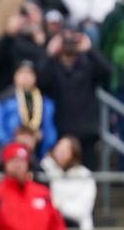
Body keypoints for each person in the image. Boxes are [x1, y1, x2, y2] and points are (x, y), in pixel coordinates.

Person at [37, 20, 111, 169]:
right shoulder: (53, 66)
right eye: (65, 37)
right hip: (62, 131)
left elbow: (107, 72)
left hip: (87, 131)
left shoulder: (88, 64)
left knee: (89, 175)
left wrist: (90, 50)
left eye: (73, 37)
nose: (69, 41)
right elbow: (40, 82)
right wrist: (49, 54)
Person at [41, 136, 113, 230]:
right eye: (58, 148)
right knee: (63, 225)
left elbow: (82, 208)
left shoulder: (84, 175)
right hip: (48, 222)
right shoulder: (44, 170)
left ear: (74, 153)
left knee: (68, 226)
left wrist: (59, 206)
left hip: (76, 223)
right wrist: (58, 208)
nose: (60, 153)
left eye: (65, 150)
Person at [0, 60, 57, 160]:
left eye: (29, 73)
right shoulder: (4, 99)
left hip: (37, 151)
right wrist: (15, 140)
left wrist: (39, 139)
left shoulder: (44, 101)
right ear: (14, 76)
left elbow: (49, 130)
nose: (25, 76)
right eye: (21, 73)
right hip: (8, 150)